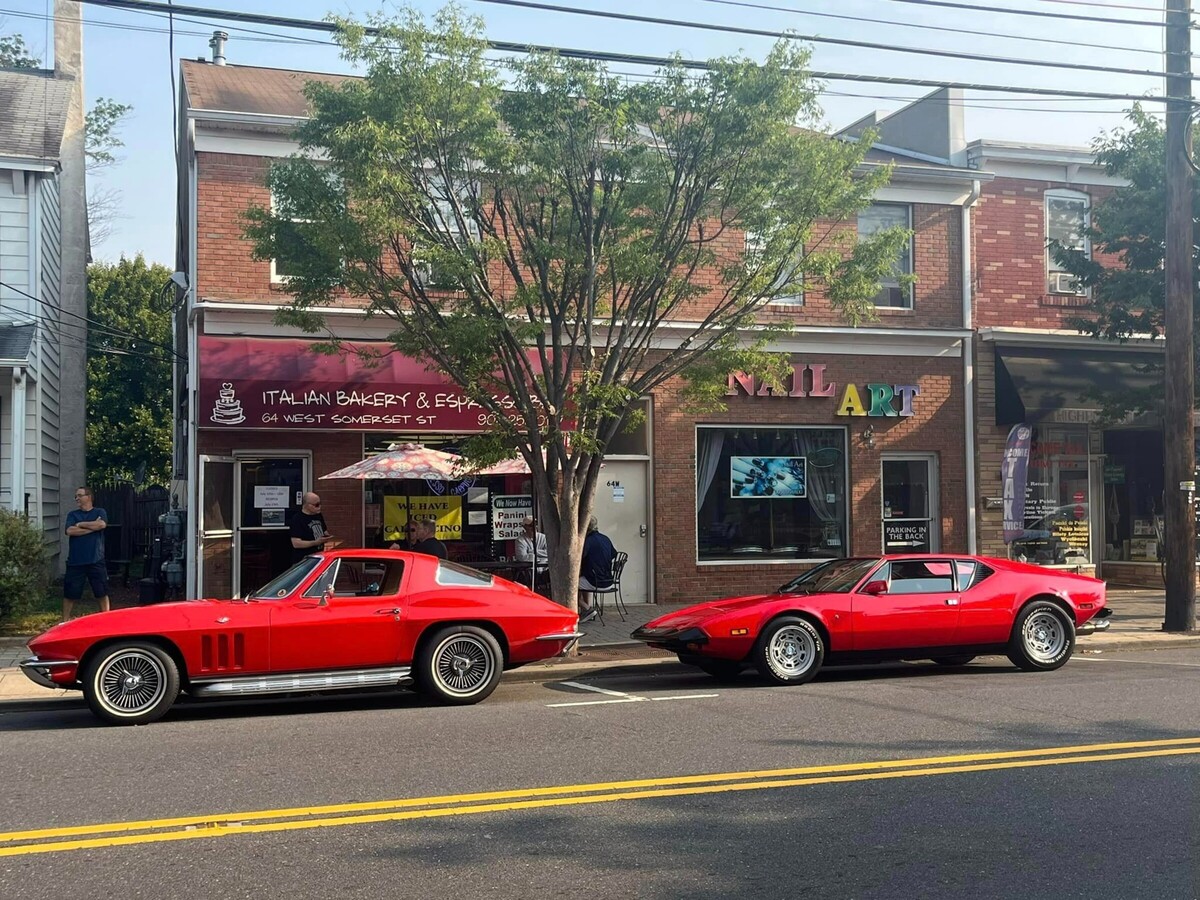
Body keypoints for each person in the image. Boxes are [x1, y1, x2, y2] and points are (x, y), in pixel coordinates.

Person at [63, 487, 111, 621]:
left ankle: (106, 619)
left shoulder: (100, 511)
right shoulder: (72, 514)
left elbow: (101, 525)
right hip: (76, 561)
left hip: (96, 559)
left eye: (79, 495)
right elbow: (70, 531)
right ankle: (65, 620)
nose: (76, 498)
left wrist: (81, 524)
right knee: (70, 593)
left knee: (101, 591)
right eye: (76, 496)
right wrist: (92, 528)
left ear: (88, 497)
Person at [578, 515, 616, 623]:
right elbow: (613, 554)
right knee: (585, 579)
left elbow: (579, 558)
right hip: (609, 580)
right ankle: (588, 612)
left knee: (569, 586)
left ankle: (587, 608)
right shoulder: (605, 539)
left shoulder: (587, 541)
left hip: (596, 582)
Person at [289, 492, 338, 564]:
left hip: (320, 557)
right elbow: (296, 543)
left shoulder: (318, 515)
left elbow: (325, 531)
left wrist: (329, 538)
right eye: (316, 505)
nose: (319, 507)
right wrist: (316, 542)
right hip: (304, 560)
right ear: (307, 505)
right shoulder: (297, 519)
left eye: (320, 504)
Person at [515, 515, 549, 589]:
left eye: (535, 525)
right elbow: (522, 557)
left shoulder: (544, 537)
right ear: (524, 527)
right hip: (529, 572)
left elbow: (549, 553)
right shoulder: (520, 540)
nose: (533, 528)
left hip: (544, 570)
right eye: (530, 526)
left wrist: (532, 552)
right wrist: (540, 557)